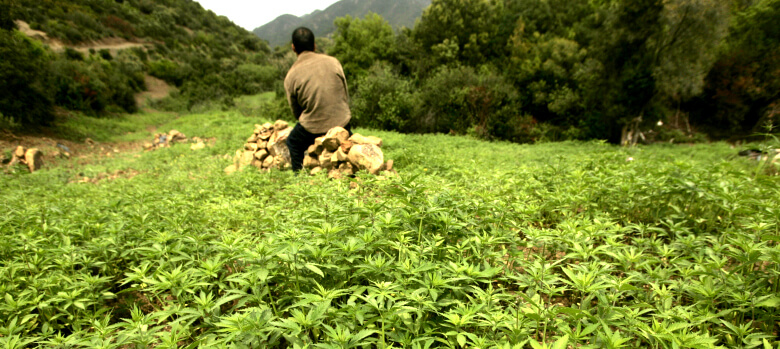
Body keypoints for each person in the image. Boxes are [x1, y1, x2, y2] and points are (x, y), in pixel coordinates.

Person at [284, 27, 352, 172]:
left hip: (312, 127)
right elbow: (344, 93)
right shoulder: (334, 62)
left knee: (293, 142)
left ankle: (299, 178)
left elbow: (296, 111)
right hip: (342, 122)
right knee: (348, 141)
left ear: (293, 48)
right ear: (314, 45)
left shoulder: (291, 75)